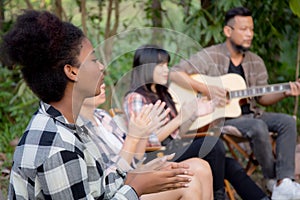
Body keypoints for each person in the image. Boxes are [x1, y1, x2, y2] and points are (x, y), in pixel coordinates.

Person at [1, 10, 197, 200]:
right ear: (72, 72)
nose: (101, 66)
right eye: (93, 59)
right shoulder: (58, 149)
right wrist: (137, 187)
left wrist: (137, 176)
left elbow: (98, 188)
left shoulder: (71, 125)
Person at [170, 6, 300, 200]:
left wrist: (285, 92)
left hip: (251, 114)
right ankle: (271, 178)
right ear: (228, 31)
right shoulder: (210, 56)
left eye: (252, 29)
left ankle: (283, 183)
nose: (250, 34)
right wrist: (207, 89)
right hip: (222, 119)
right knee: (258, 126)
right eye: (244, 29)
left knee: (287, 121)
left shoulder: (255, 61)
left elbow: (262, 99)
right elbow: (174, 73)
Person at [123, 44, 269, 200]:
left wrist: (195, 114)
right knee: (213, 144)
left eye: (167, 64)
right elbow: (148, 142)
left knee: (228, 165)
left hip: (173, 147)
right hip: (155, 156)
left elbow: (177, 133)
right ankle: (218, 197)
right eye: (161, 66)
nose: (167, 70)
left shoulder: (163, 94)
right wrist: (181, 117)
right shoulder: (136, 98)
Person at [80, 83, 214, 200]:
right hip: (123, 187)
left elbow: (136, 160)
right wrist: (135, 136)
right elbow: (110, 182)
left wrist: (144, 134)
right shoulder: (77, 130)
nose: (166, 70)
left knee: (201, 166)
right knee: (189, 181)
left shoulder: (103, 116)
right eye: (161, 65)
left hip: (138, 169)